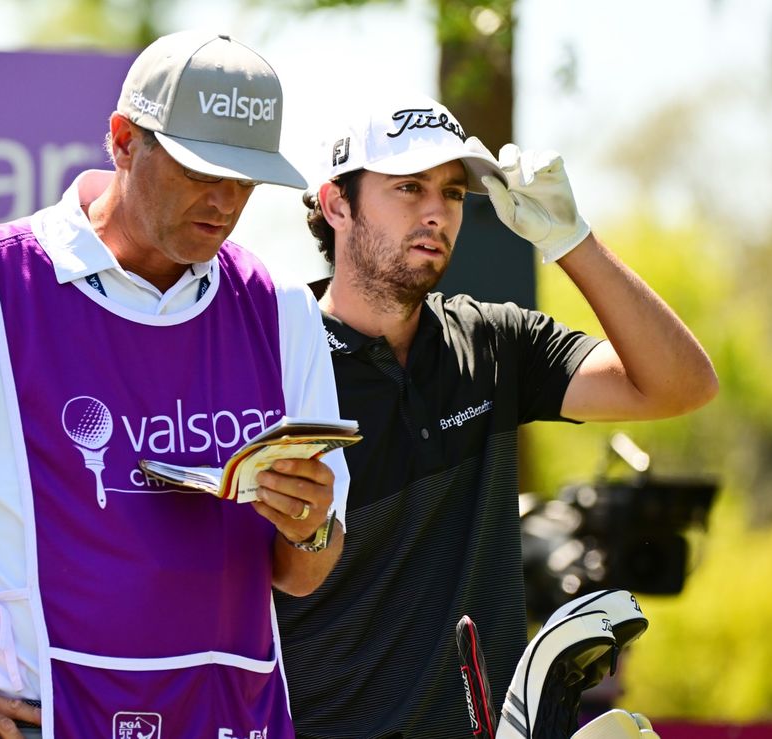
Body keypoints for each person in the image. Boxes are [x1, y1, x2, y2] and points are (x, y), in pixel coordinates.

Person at [0, 31, 349, 739]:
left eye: (246, 176)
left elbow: (301, 573)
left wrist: (311, 523)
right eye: (202, 169)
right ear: (123, 139)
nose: (226, 200)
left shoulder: (281, 307)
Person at [274, 92, 719, 738]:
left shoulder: (494, 342)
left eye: (453, 193)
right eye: (409, 187)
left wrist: (572, 241)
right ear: (336, 203)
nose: (437, 212)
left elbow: (681, 385)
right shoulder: (275, 354)